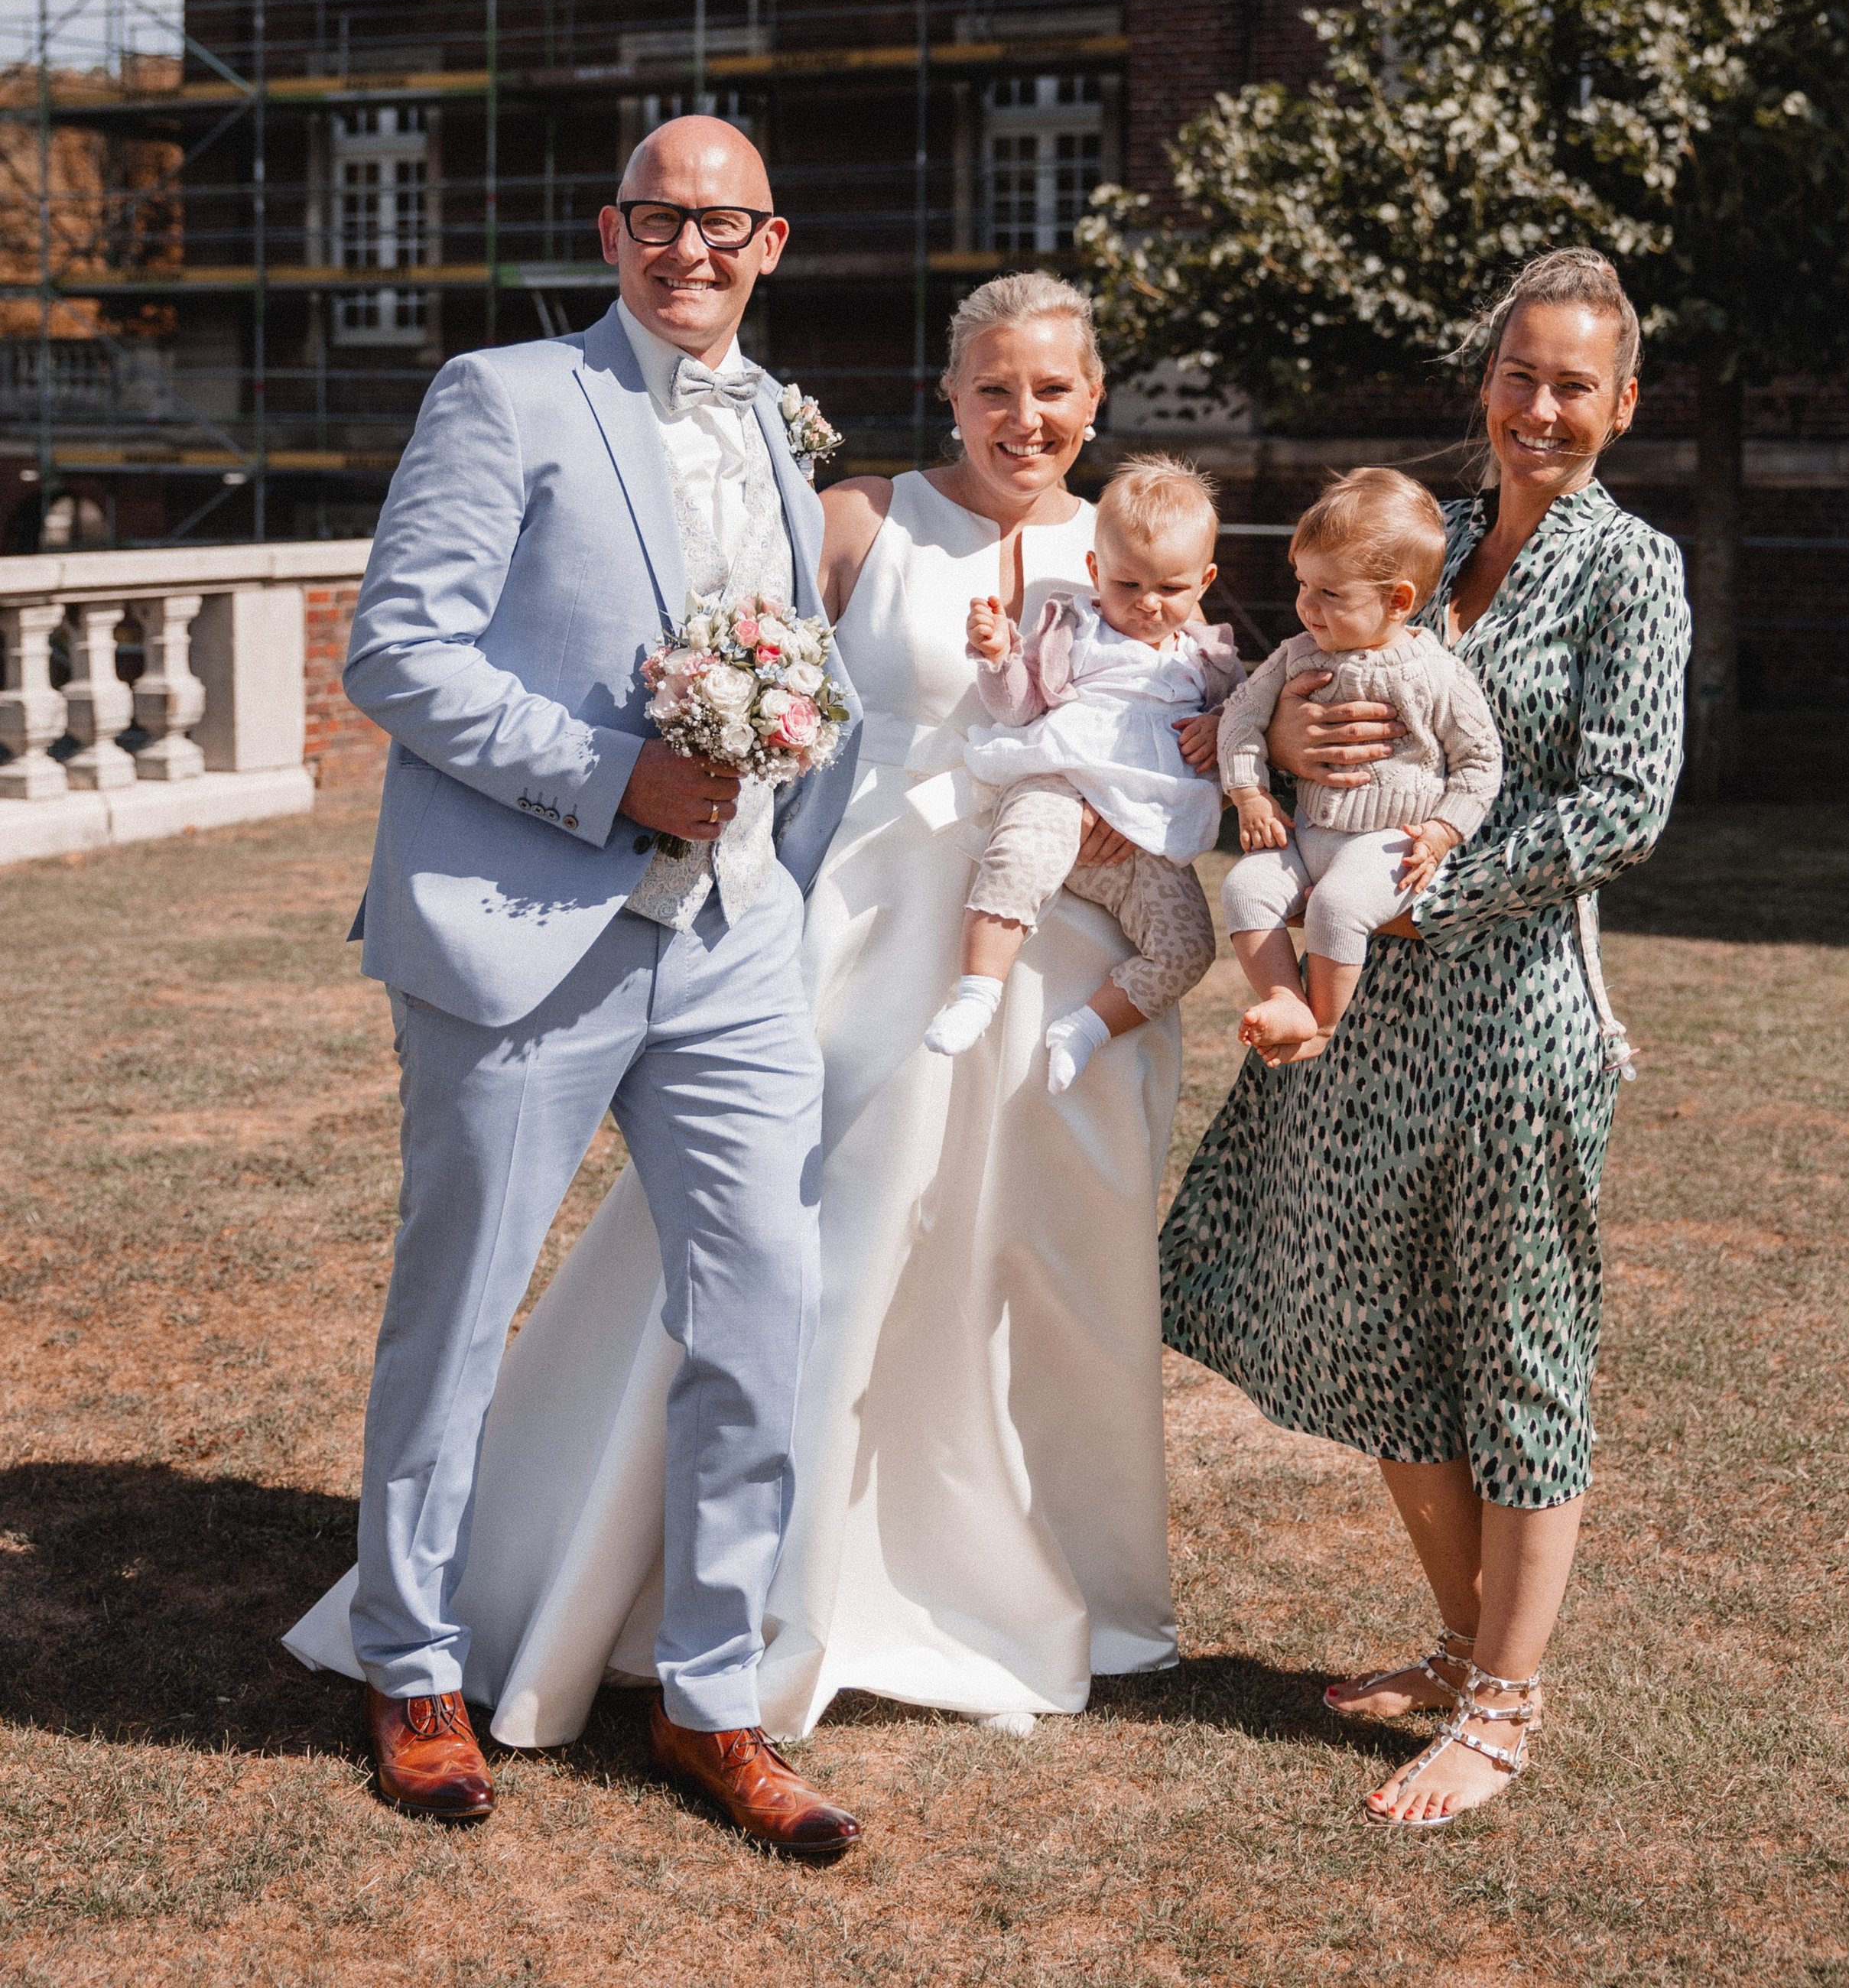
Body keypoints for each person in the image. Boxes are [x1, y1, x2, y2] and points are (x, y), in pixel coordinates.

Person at [292, 268, 1188, 1757]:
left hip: (1057, 952)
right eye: (994, 387)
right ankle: (700, 1596)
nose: (1024, 416)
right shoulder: (854, 515)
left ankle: (1000, 1575)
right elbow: (760, 703)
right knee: (805, 1251)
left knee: (1019, 1260)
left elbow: (1191, 733)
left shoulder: (1136, 549)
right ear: (950, 391)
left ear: (1093, 397)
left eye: (1053, 389)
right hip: (859, 929)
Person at [284, 115, 866, 1862]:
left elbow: (795, 658)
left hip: (732, 939)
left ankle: (712, 1693)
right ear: (614, 232)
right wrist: (606, 776)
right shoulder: (503, 392)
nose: (690, 247)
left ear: (771, 243)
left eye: (723, 223)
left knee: (766, 1304)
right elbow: (395, 644)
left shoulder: (773, 417)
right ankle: (410, 1658)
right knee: (456, 1313)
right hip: (518, 939)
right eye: (659, 218)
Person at [1158, 248, 1691, 1828]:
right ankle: (1459, 1649)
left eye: (1573, 386)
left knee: (1517, 1348)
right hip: (1361, 1029)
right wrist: (1295, 741)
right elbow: (1319, 701)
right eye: (1518, 375)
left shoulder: (1629, 569)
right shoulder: (1417, 539)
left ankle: (1504, 1707)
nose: (1540, 408)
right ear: (1485, 384)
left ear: (1621, 404)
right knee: (1386, 1340)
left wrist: (1409, 900)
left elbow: (1620, 804)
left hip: (1510, 1017)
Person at [924, 453, 1238, 1094]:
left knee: (1188, 947)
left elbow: (1245, 727)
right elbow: (1020, 708)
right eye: (1128, 585)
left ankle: (1090, 1027)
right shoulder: (1075, 628)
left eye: (1171, 589)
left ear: (1204, 581)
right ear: (1096, 571)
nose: (1148, 604)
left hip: (1148, 826)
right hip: (1062, 782)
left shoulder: (1211, 660)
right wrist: (1000, 657)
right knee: (1018, 856)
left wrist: (1221, 727)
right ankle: (978, 993)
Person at [1215, 466, 1502, 1059]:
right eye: (1303, 585)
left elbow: (1479, 759)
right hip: (1308, 835)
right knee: (1244, 885)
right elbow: (1239, 718)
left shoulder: (1436, 673)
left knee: (1338, 903)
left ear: (1397, 601)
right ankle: (1285, 998)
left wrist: (1444, 832)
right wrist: (1251, 793)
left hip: (1389, 844)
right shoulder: (1296, 655)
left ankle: (1321, 1026)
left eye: (1331, 594)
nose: (1307, 608)